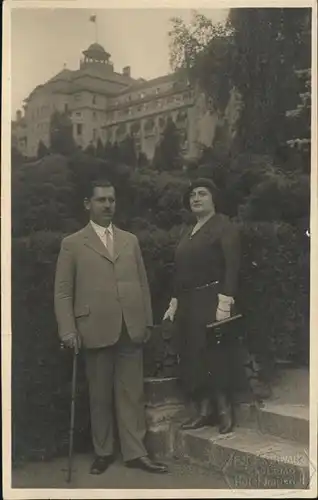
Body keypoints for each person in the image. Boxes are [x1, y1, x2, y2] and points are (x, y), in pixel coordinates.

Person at [54, 178, 168, 475]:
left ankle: (136, 453)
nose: (108, 205)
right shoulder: (72, 243)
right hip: (93, 327)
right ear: (87, 204)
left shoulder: (130, 240)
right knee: (100, 395)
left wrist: (147, 321)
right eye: (102, 200)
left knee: (133, 393)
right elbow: (63, 292)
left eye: (111, 200)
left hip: (131, 326)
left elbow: (142, 283)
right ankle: (103, 452)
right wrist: (68, 330)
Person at [163, 178, 241, 434]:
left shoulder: (223, 226)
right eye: (193, 195)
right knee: (194, 356)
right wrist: (174, 302)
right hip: (189, 302)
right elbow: (180, 270)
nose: (196, 198)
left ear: (213, 198)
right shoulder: (189, 231)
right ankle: (204, 411)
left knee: (215, 354)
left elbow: (232, 266)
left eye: (202, 194)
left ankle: (224, 411)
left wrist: (225, 301)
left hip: (212, 298)